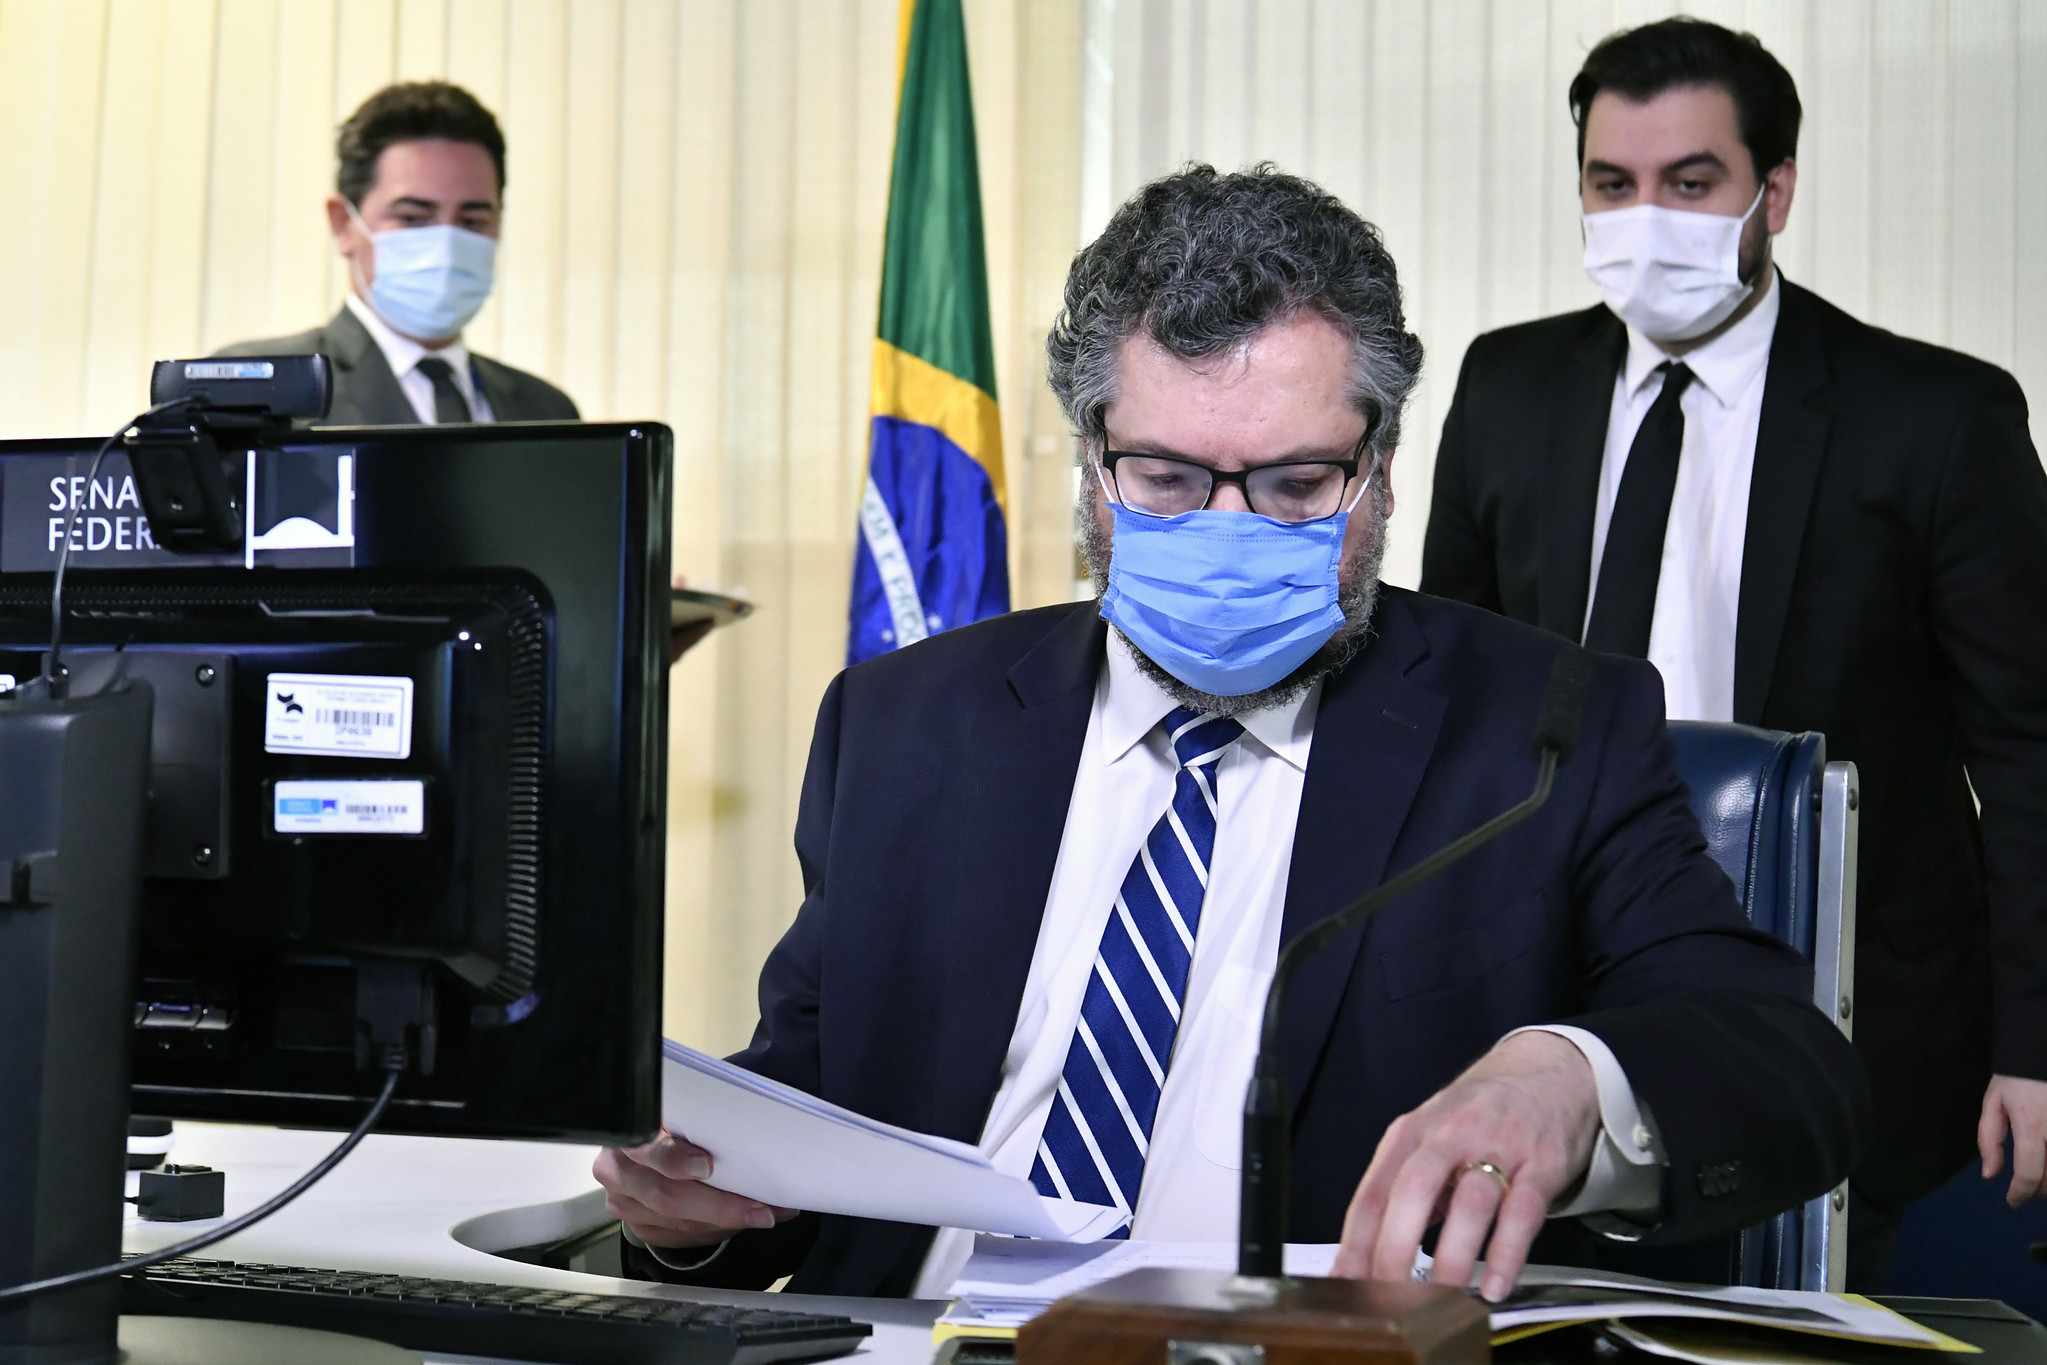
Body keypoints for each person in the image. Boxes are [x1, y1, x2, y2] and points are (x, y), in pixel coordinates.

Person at [597, 165, 1867, 1300]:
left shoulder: (1544, 731)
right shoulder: (906, 720)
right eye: (1165, 479)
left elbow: (1784, 1065)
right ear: (1093, 462)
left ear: (1381, 469)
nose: (1227, 526)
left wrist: (1572, 1081)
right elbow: (804, 1144)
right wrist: (689, 1215)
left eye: (1295, 485)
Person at [1420, 17, 2047, 1290]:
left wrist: (2036, 1041)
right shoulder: (1508, 385)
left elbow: (2028, 750)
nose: (1645, 217)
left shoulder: (1933, 416)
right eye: (1612, 184)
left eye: (1689, 183)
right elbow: (1450, 706)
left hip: (1850, 1010)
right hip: (1555, 984)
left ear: (1775, 193)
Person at [218, 81, 577, 425]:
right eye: (413, 218)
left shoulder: (548, 410)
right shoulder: (261, 391)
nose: (447, 244)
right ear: (344, 224)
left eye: (471, 220)